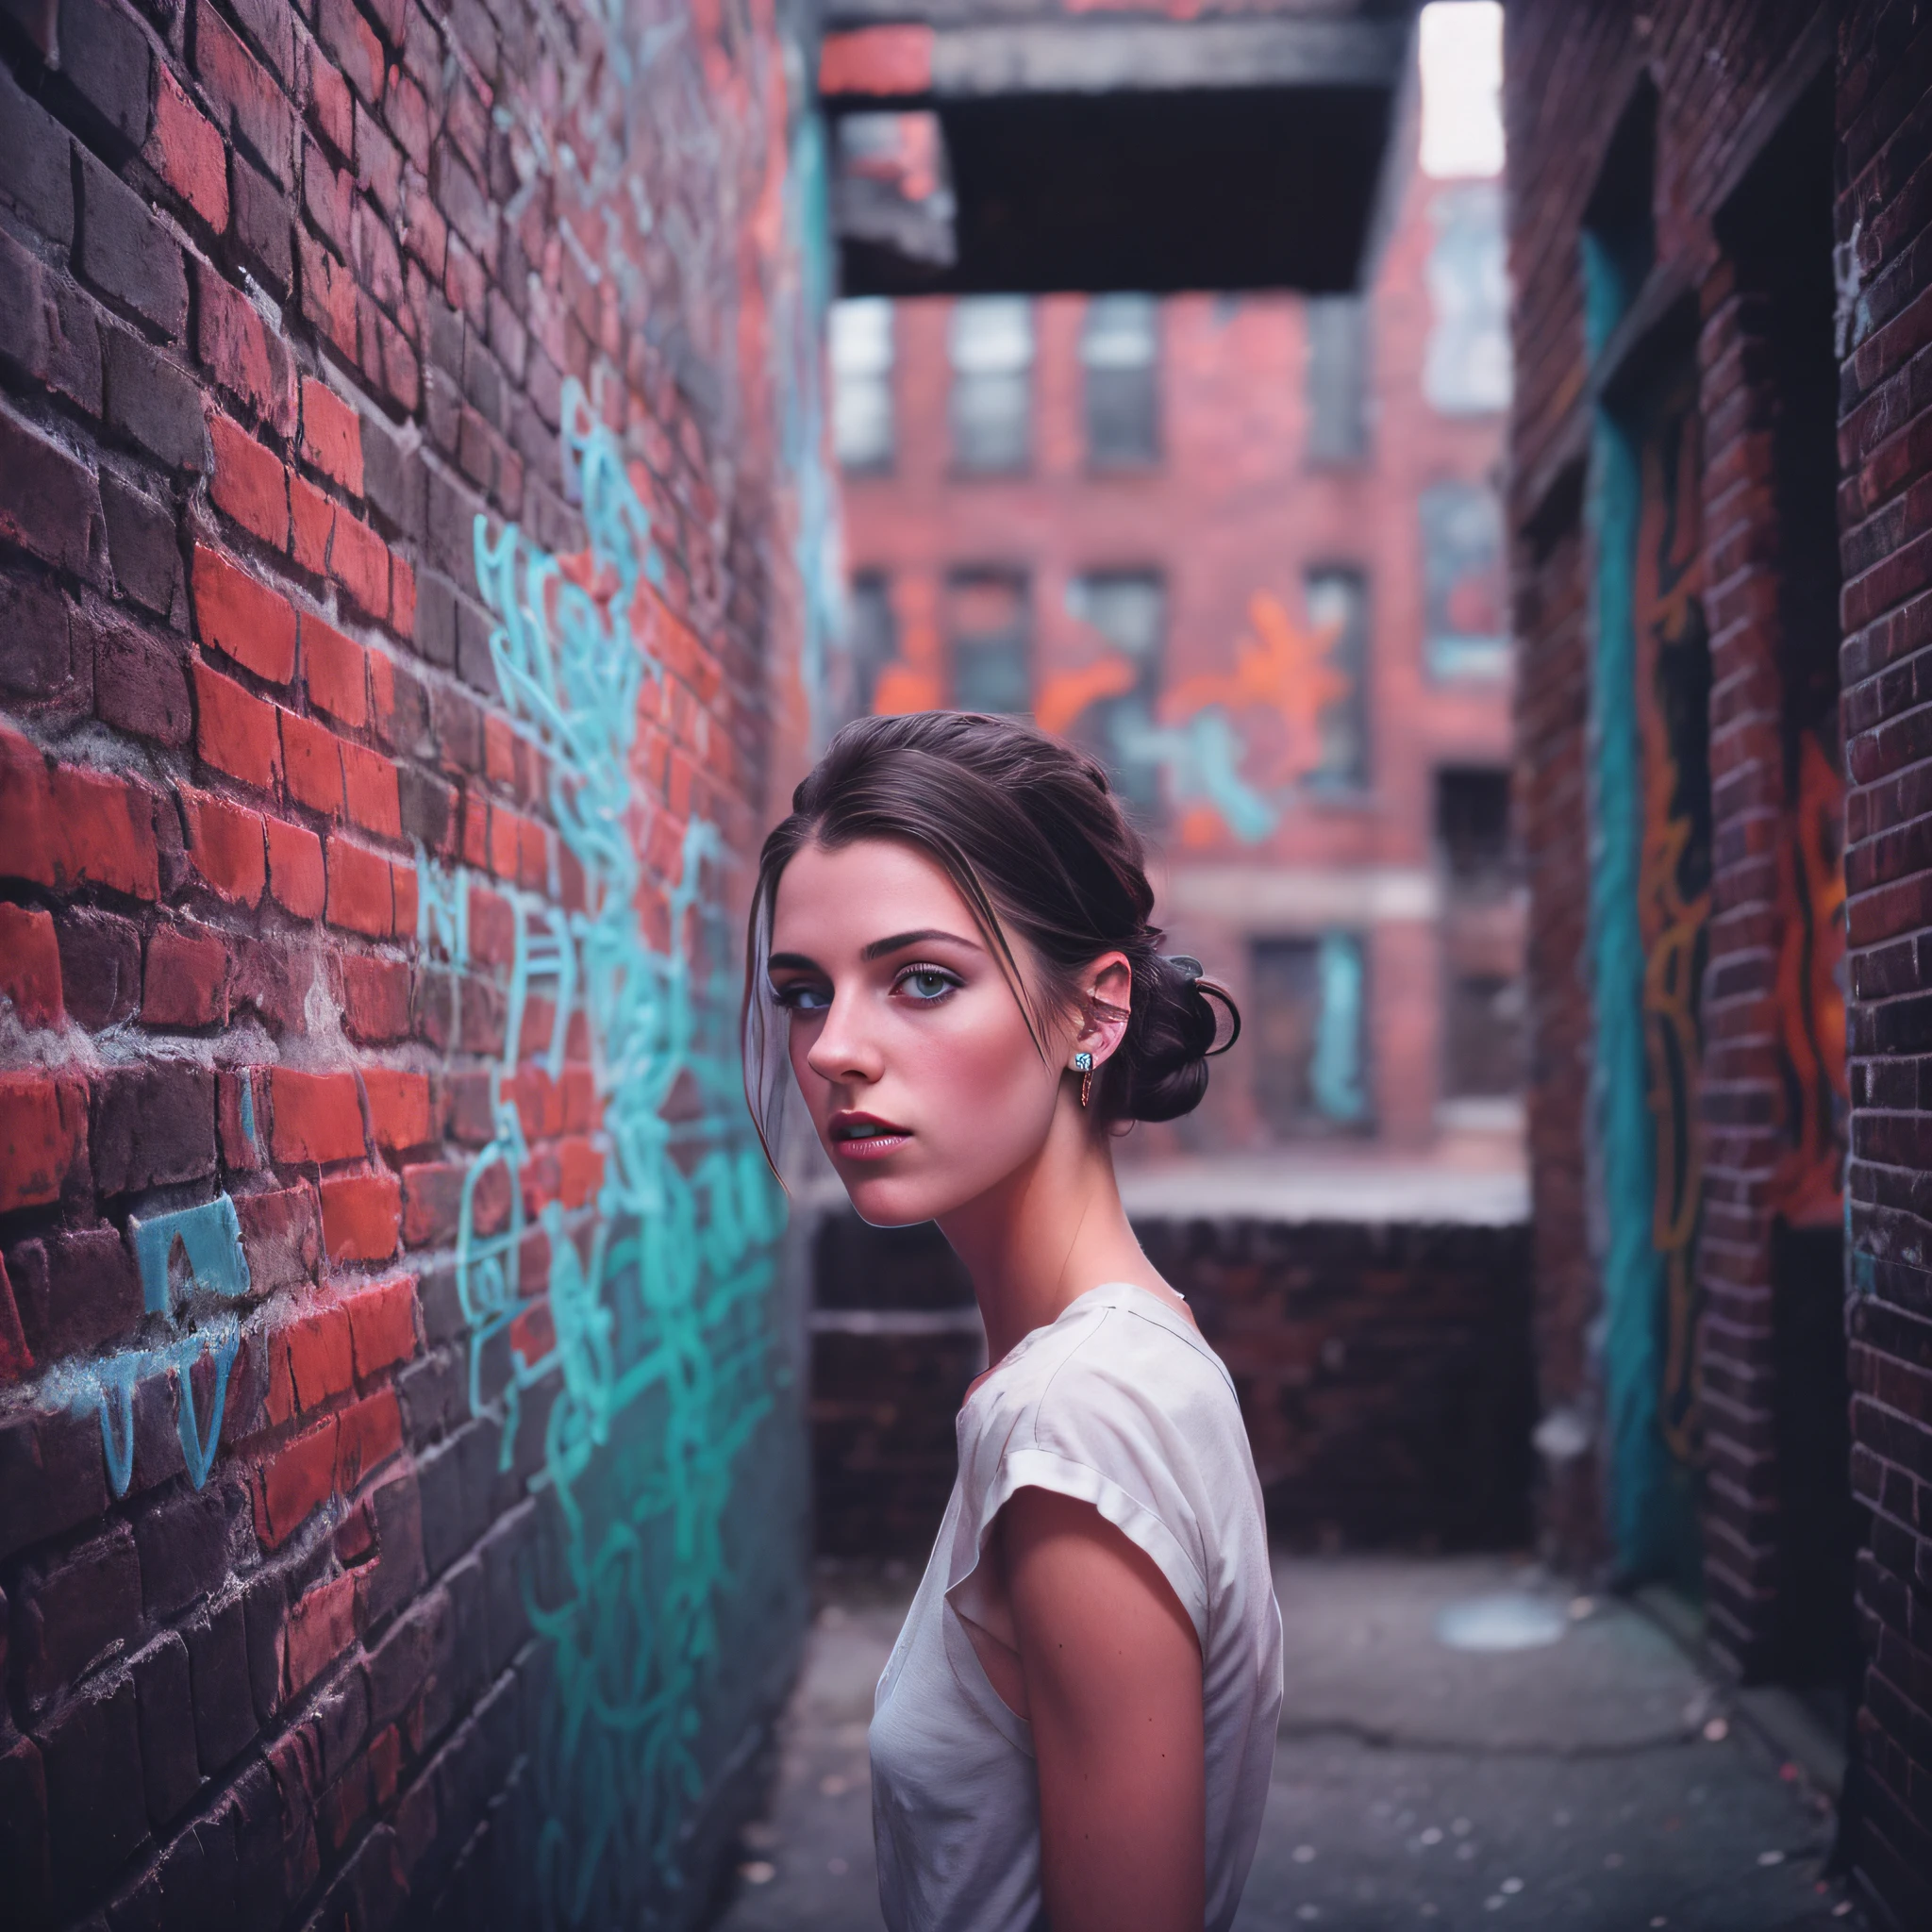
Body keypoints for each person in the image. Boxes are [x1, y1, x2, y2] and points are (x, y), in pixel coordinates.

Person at [743, 711, 1284, 1932]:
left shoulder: (1074, 1418)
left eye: (922, 980)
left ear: (1094, 1015)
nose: (834, 1050)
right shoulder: (1112, 1362)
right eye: (802, 992)